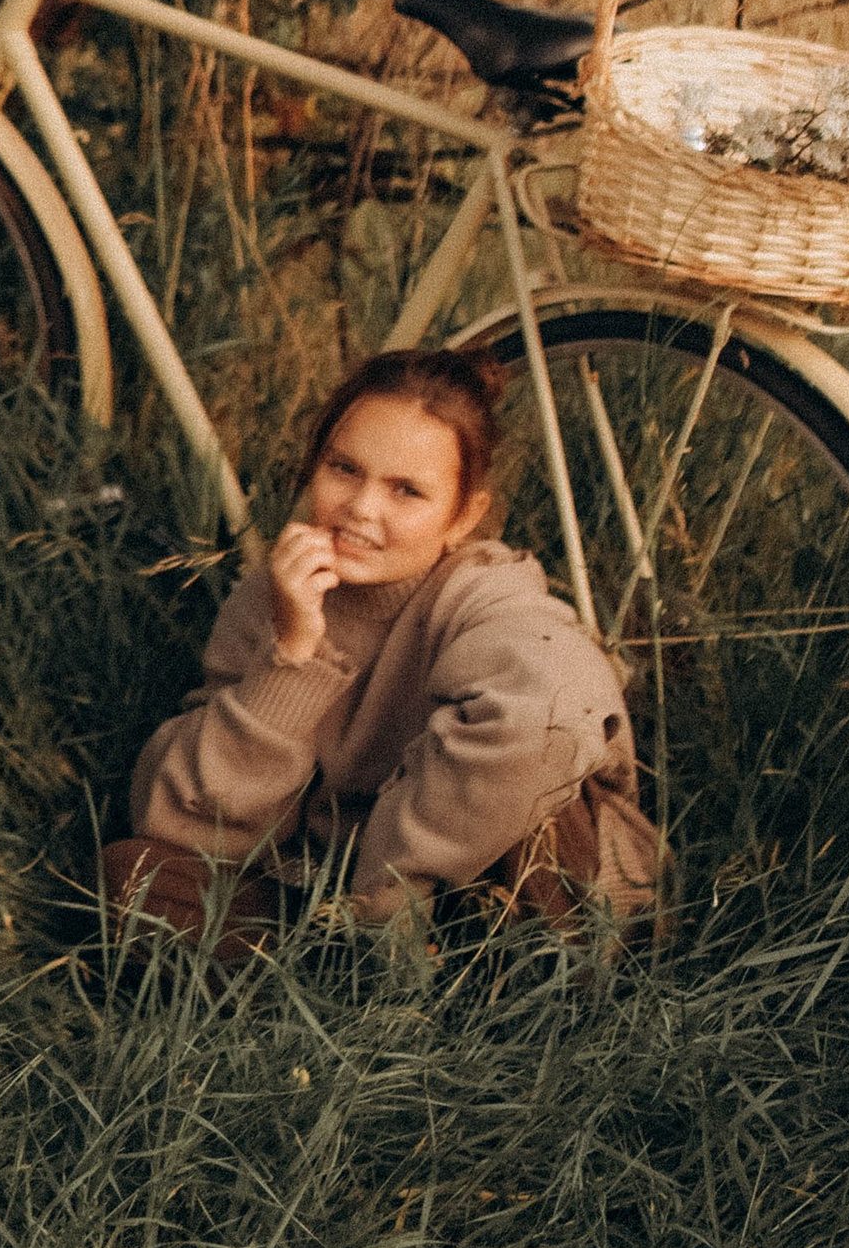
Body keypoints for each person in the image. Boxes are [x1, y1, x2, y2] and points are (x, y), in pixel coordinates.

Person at [103, 348, 665, 962]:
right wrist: (292, 655)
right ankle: (346, 988)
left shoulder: (485, 592)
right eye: (344, 469)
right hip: (327, 893)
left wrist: (385, 904)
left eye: (407, 491)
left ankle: (441, 988)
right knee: (128, 881)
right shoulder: (274, 595)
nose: (362, 510)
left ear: (463, 515)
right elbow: (178, 823)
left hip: (457, 885)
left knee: (538, 813)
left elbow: (549, 710)